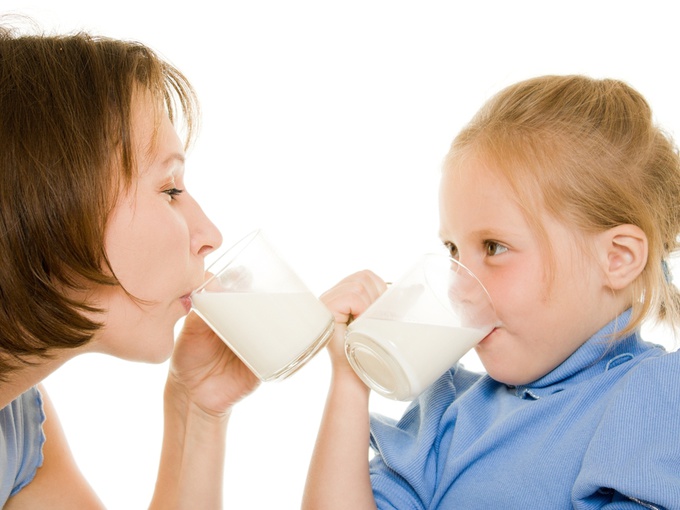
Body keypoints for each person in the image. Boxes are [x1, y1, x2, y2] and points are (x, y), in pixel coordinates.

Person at [303, 75, 680, 508]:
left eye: (494, 247)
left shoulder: (654, 400)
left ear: (616, 258)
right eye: (453, 250)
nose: (460, 287)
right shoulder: (445, 410)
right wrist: (351, 379)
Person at [0, 20, 261, 508]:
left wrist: (195, 408)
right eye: (169, 189)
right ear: (50, 201)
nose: (209, 236)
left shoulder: (17, 422)